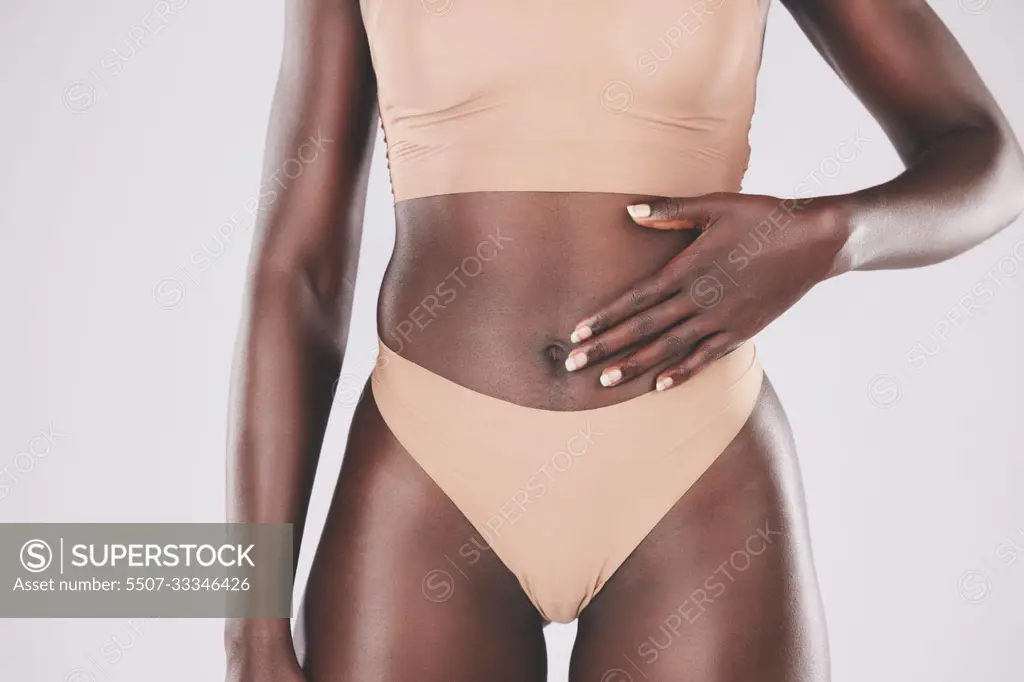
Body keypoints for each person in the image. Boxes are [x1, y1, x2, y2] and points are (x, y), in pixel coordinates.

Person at [224, 1, 1024, 680]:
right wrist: (248, 624)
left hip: (696, 465)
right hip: (425, 468)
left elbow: (989, 158)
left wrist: (831, 234)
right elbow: (300, 271)